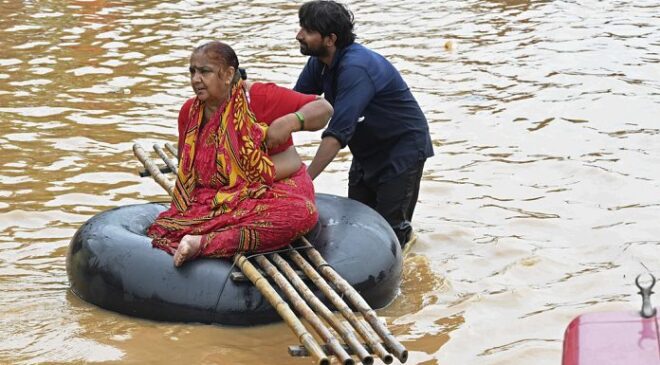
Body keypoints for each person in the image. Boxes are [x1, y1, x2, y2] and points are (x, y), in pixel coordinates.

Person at [147, 41, 333, 267]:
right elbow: (187, 170)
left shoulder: (259, 98)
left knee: (300, 213)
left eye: (204, 71)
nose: (196, 79)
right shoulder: (189, 112)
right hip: (220, 195)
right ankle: (210, 232)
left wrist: (292, 121)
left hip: (275, 189)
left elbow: (324, 108)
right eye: (192, 71)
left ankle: (203, 243)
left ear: (228, 74)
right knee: (175, 220)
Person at [293, 1, 433, 247]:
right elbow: (293, 104)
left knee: (391, 232)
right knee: (357, 223)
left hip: (401, 150)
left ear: (330, 39)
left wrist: (304, 180)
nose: (299, 35)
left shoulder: (356, 68)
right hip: (367, 151)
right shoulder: (320, 63)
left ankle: (405, 278)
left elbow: (336, 134)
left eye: (307, 30)